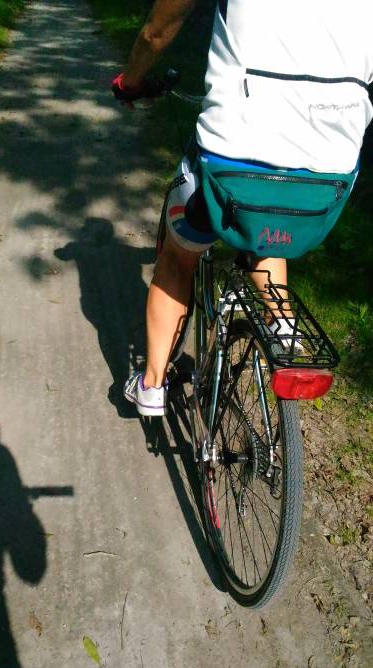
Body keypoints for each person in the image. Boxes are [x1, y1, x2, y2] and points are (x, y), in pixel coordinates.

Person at [112, 0, 373, 416]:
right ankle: (283, 328)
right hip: (331, 173)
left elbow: (155, 33)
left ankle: (152, 385)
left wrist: (131, 82)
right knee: (270, 220)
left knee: (179, 255)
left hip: (233, 158)